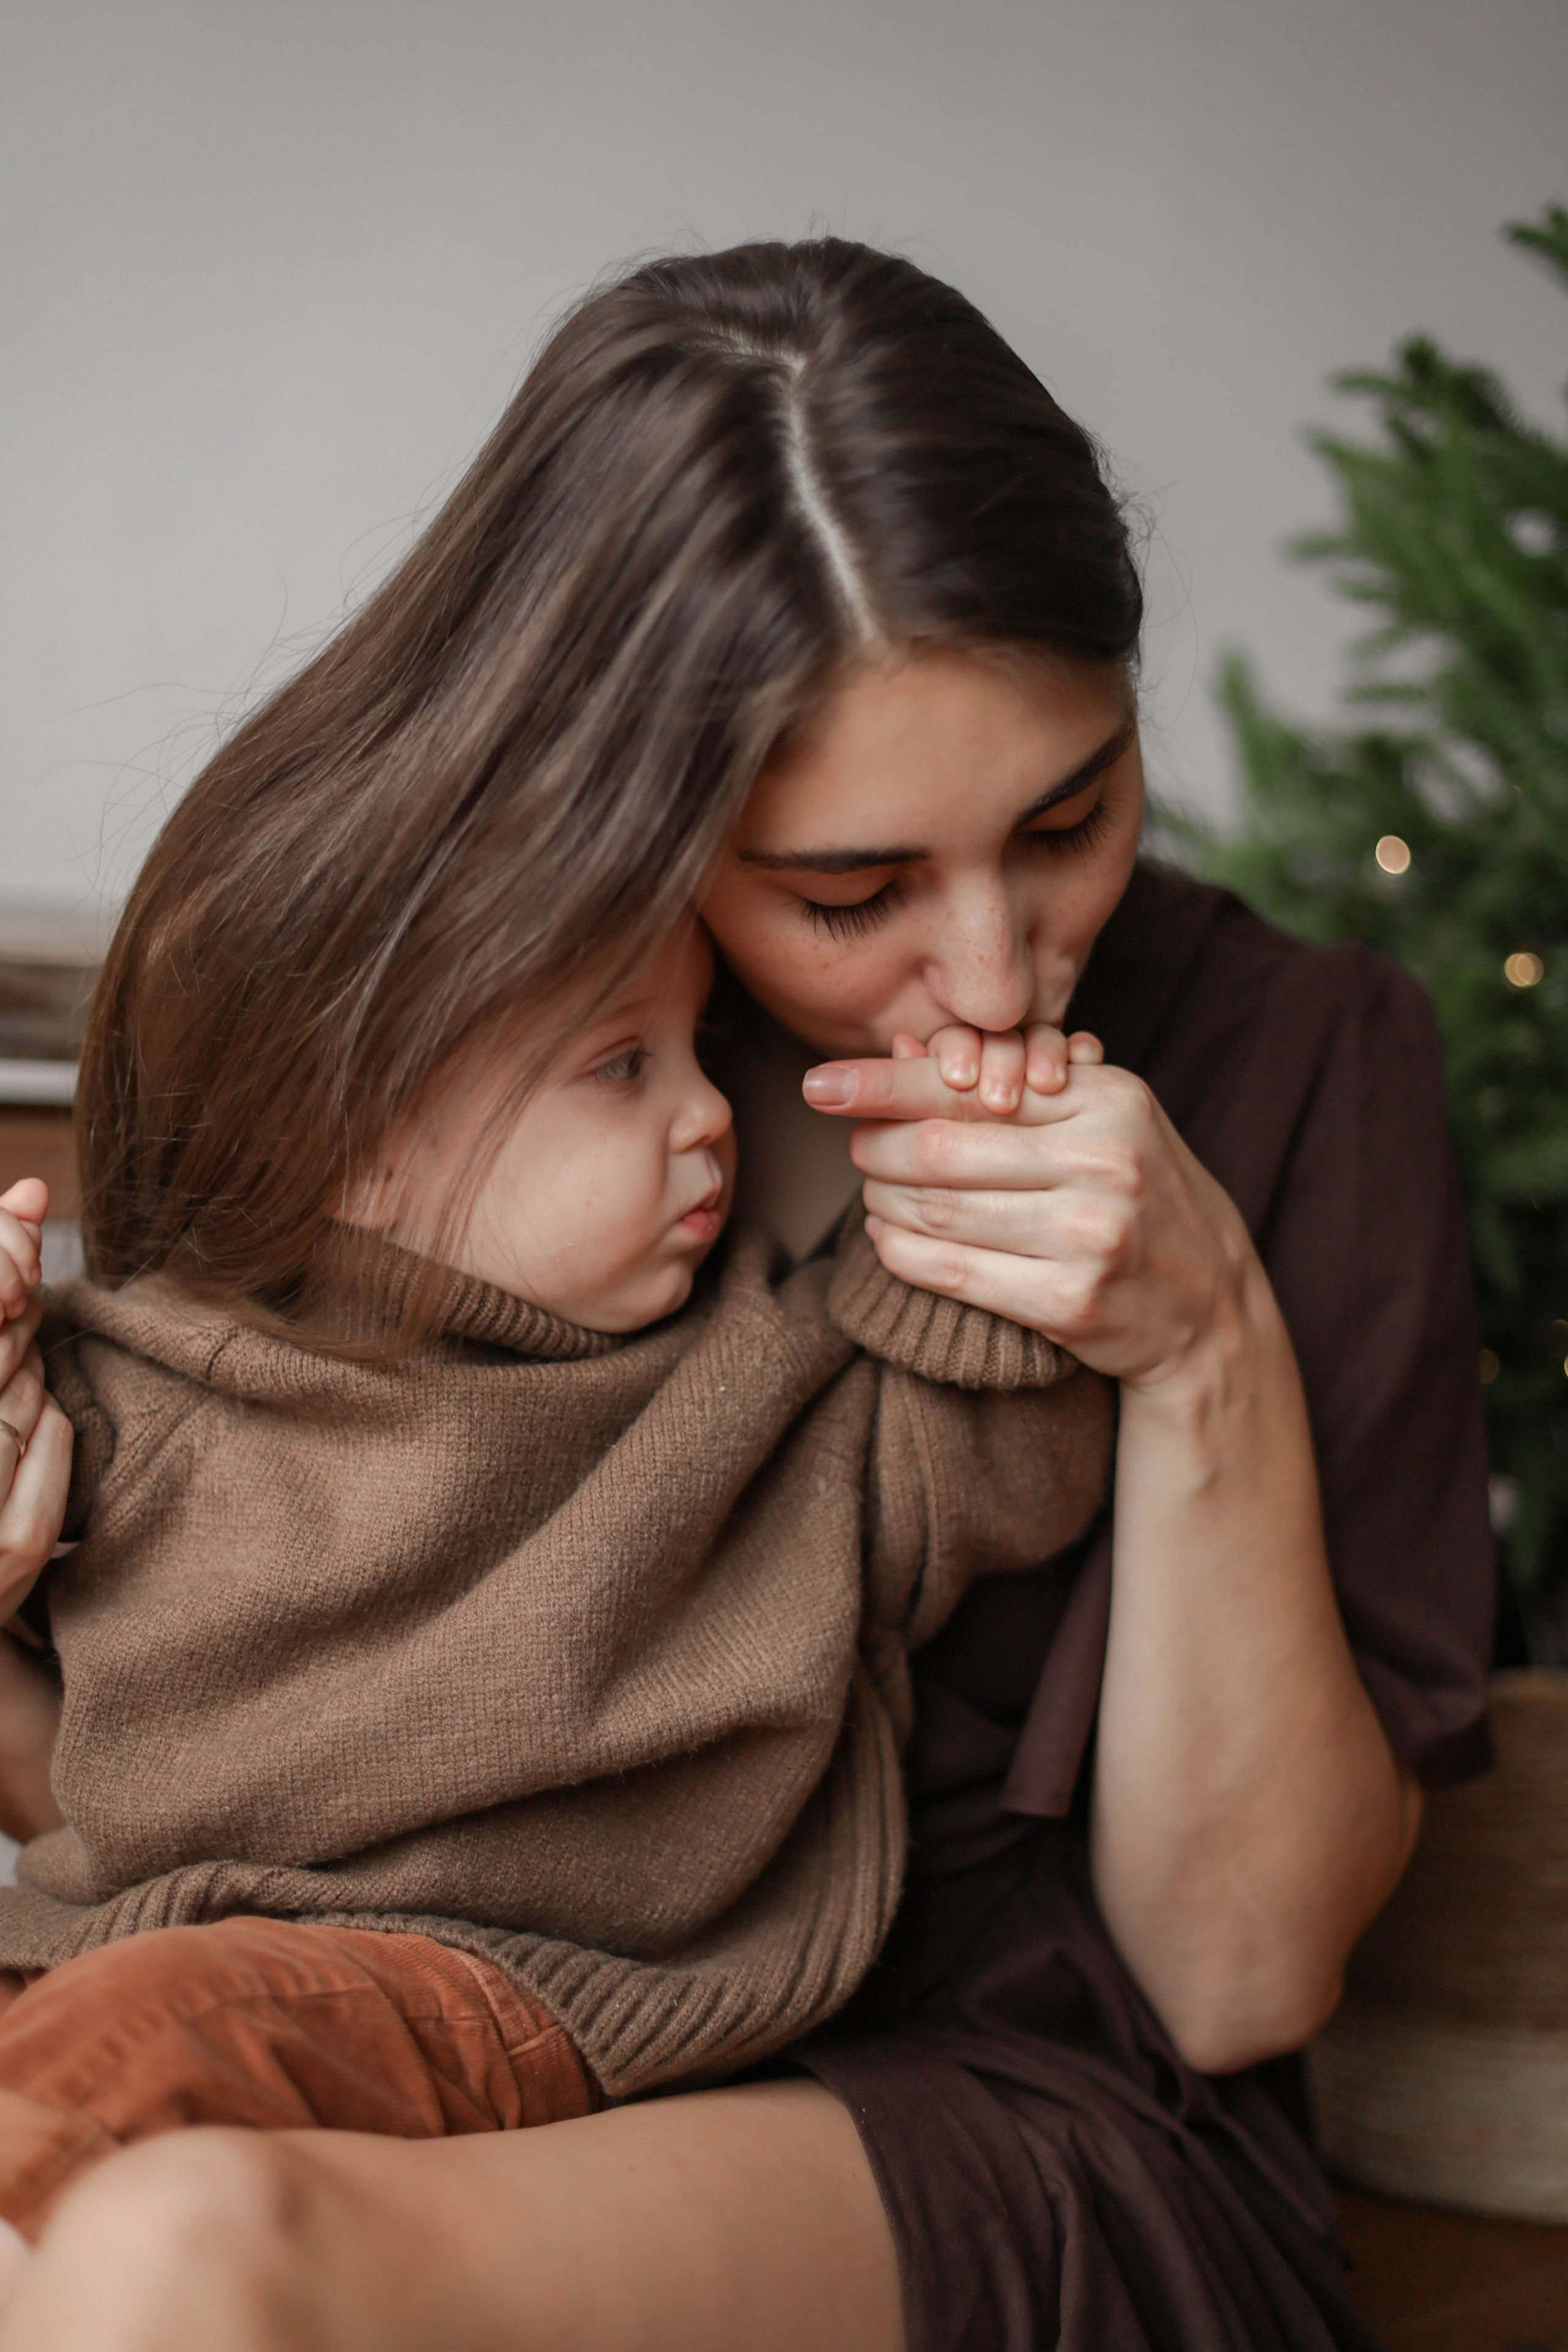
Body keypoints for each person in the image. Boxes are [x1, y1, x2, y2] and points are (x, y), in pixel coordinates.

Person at [0, 236, 1492, 2351]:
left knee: (173, 2263)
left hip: (1004, 2120)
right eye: (850, 891)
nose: (991, 975)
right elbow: (203, 1788)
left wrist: (1200, 1339)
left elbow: (1242, 1976)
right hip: (385, 2004)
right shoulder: (397, 1055)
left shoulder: (1300, 1059)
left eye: (1069, 818)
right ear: (645, 807)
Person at [0, 904, 1106, 2247]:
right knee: (117, 2042)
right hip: (96, 1948)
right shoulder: (159, 1369)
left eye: (698, 1047)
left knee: (144, 2044)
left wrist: (975, 1172)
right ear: (353, 1151)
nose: (709, 1112)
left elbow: (1007, 1476)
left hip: (508, 1981)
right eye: (621, 1065)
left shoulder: (765, 1382)